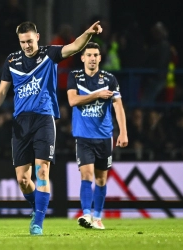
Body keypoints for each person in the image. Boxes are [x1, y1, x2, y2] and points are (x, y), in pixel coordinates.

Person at [0, 21, 103, 235]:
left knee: (42, 170)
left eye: (30, 41)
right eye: (23, 42)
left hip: (44, 119)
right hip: (21, 122)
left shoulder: (49, 54)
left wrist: (88, 33)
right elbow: (2, 90)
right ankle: (37, 207)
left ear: (37, 37)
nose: (27, 46)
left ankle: (37, 222)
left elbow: (75, 47)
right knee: (23, 180)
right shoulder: (12, 60)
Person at [66, 42, 128, 230]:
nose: (92, 58)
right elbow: (72, 100)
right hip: (83, 137)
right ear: (82, 58)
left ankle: (98, 218)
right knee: (87, 175)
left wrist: (123, 132)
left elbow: (118, 106)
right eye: (89, 55)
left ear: (100, 58)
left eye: (96, 55)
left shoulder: (110, 79)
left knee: (101, 179)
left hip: (104, 137)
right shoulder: (74, 76)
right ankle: (86, 215)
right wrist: (97, 95)